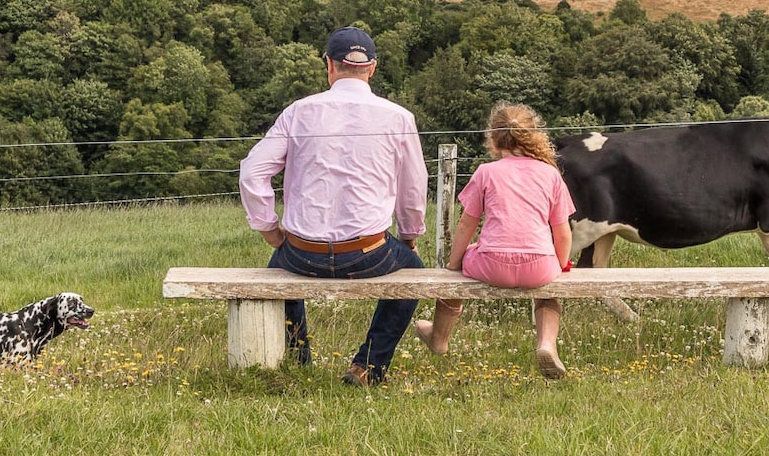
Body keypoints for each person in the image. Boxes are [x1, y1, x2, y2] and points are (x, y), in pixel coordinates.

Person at [238, 26, 428, 388]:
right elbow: (413, 187)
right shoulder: (398, 117)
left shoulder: (299, 112)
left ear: (329, 65)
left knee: (279, 268)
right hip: (368, 253)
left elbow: (252, 172)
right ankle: (367, 367)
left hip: (301, 253)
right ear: (371, 68)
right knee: (412, 275)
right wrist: (408, 236)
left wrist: (269, 229)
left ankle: (299, 360)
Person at [414, 102, 574, 379]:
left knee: (460, 268)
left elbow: (467, 224)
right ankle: (547, 344)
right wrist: (560, 264)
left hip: (492, 264)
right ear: (534, 135)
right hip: (540, 267)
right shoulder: (550, 174)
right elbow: (562, 231)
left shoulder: (486, 172)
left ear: (494, 138)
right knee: (550, 290)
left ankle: (439, 338)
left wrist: (454, 263)